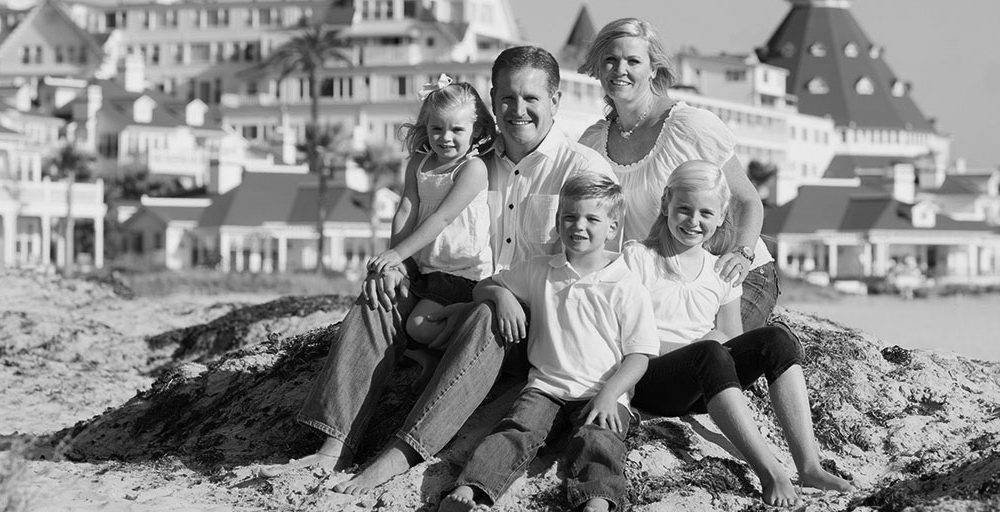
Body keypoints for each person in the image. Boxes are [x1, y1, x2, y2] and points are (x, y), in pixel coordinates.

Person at [274, 46, 617, 493]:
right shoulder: (471, 159)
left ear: (555, 99)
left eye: (531, 98)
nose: (518, 109)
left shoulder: (583, 170)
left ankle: (403, 451)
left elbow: (595, 277)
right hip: (458, 294)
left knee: (487, 316)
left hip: (527, 328)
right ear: (492, 100)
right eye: (507, 98)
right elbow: (419, 211)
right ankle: (334, 442)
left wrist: (496, 293)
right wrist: (396, 264)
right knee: (380, 295)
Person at [622, 160, 854, 507]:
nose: (693, 221)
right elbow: (624, 337)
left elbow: (731, 340)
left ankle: (809, 466)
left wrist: (712, 344)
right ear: (666, 202)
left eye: (705, 213)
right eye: (684, 209)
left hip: (704, 383)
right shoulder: (638, 257)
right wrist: (698, 345)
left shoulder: (720, 270)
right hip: (651, 380)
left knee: (776, 339)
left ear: (721, 215)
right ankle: (770, 473)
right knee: (709, 351)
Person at [441, 173, 658, 512]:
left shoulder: (626, 285)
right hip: (546, 387)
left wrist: (610, 394)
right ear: (557, 221)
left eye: (592, 219)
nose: (578, 226)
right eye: (570, 216)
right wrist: (501, 296)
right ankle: (471, 489)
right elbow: (481, 288)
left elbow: (639, 356)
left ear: (612, 228)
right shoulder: (539, 270)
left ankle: (596, 501)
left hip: (602, 391)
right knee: (516, 431)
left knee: (598, 439)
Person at [577, 18, 778, 330]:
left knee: (707, 347)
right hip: (658, 283)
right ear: (599, 68)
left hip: (730, 275)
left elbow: (748, 200)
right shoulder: (591, 143)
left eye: (633, 61)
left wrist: (743, 253)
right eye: (610, 60)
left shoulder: (690, 126)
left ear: (653, 69)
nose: (620, 70)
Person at [366, 74, 496, 345]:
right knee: (382, 301)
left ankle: (465, 336)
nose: (445, 137)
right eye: (437, 128)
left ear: (476, 130)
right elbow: (406, 209)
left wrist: (398, 253)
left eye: (457, 130)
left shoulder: (472, 169)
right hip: (425, 266)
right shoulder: (419, 162)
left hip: (461, 271)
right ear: (426, 126)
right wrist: (397, 261)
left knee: (419, 327)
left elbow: (443, 217)